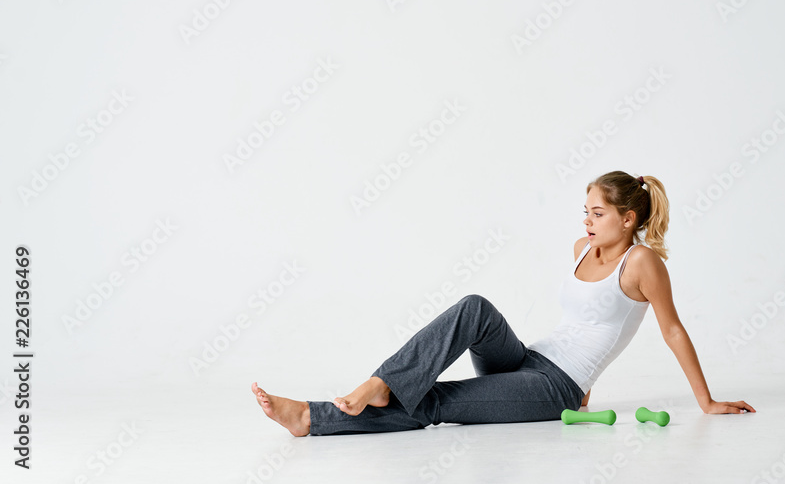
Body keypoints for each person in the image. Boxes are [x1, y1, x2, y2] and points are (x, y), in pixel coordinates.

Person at [251, 170, 755, 436]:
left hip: (554, 388)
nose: (586, 221)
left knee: (437, 401)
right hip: (530, 360)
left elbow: (671, 331)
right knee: (475, 307)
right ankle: (382, 382)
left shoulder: (642, 263)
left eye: (598, 213)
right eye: (585, 211)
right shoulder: (582, 249)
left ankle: (312, 418)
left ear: (628, 219)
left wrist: (706, 402)